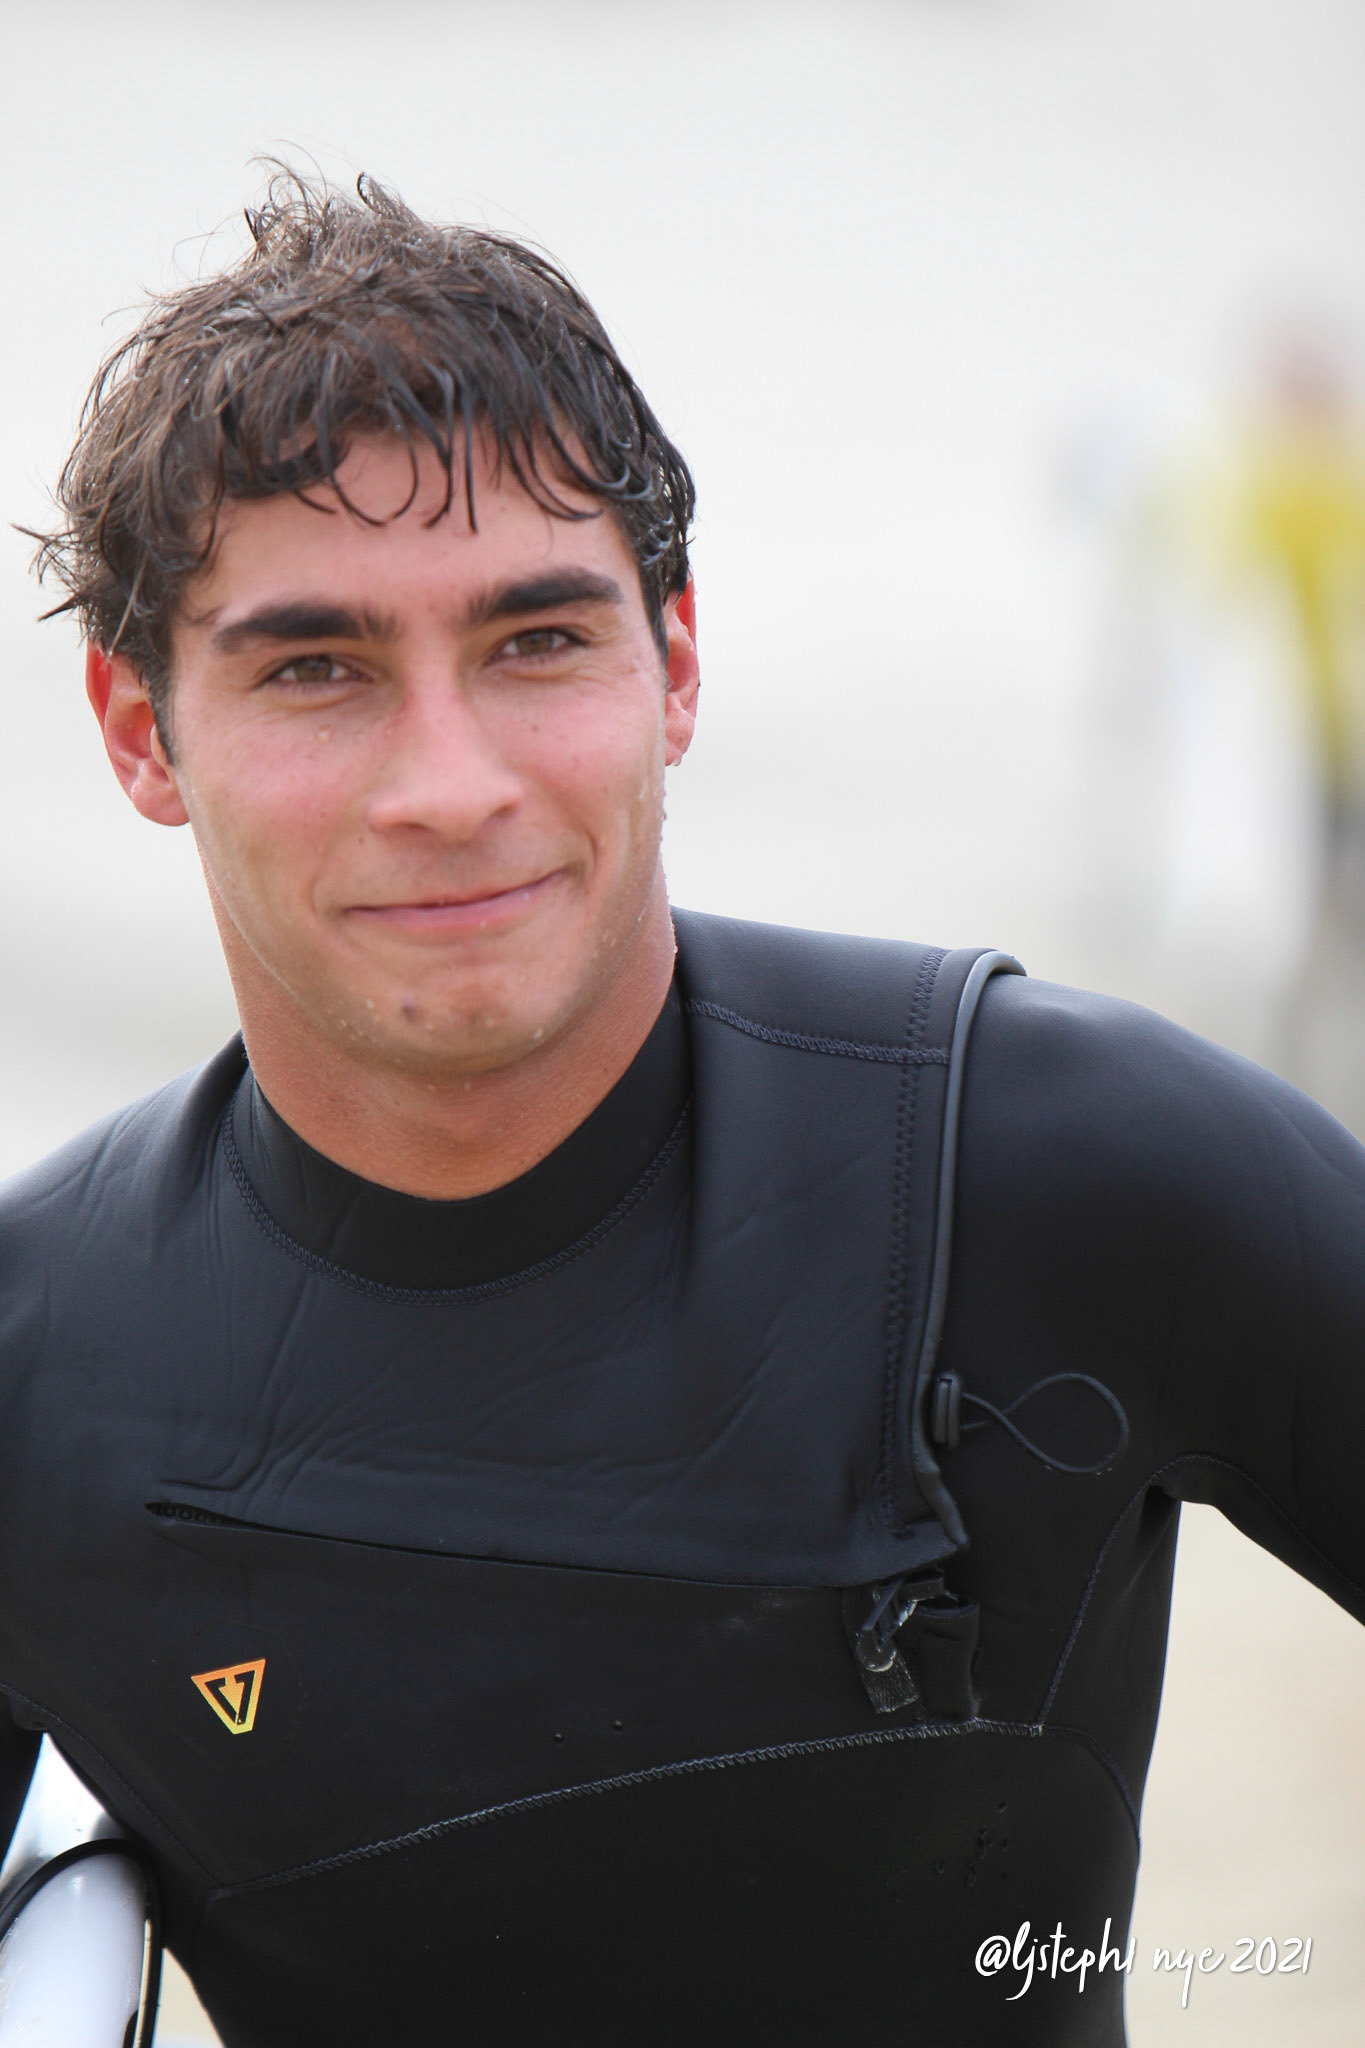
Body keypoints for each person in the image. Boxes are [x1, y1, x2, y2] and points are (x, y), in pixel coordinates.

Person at [1, 170, 1363, 2048]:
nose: (448, 784)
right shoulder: (36, 1368)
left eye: (537, 642)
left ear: (678, 667)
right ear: (140, 731)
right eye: (316, 668)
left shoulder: (1063, 1167)